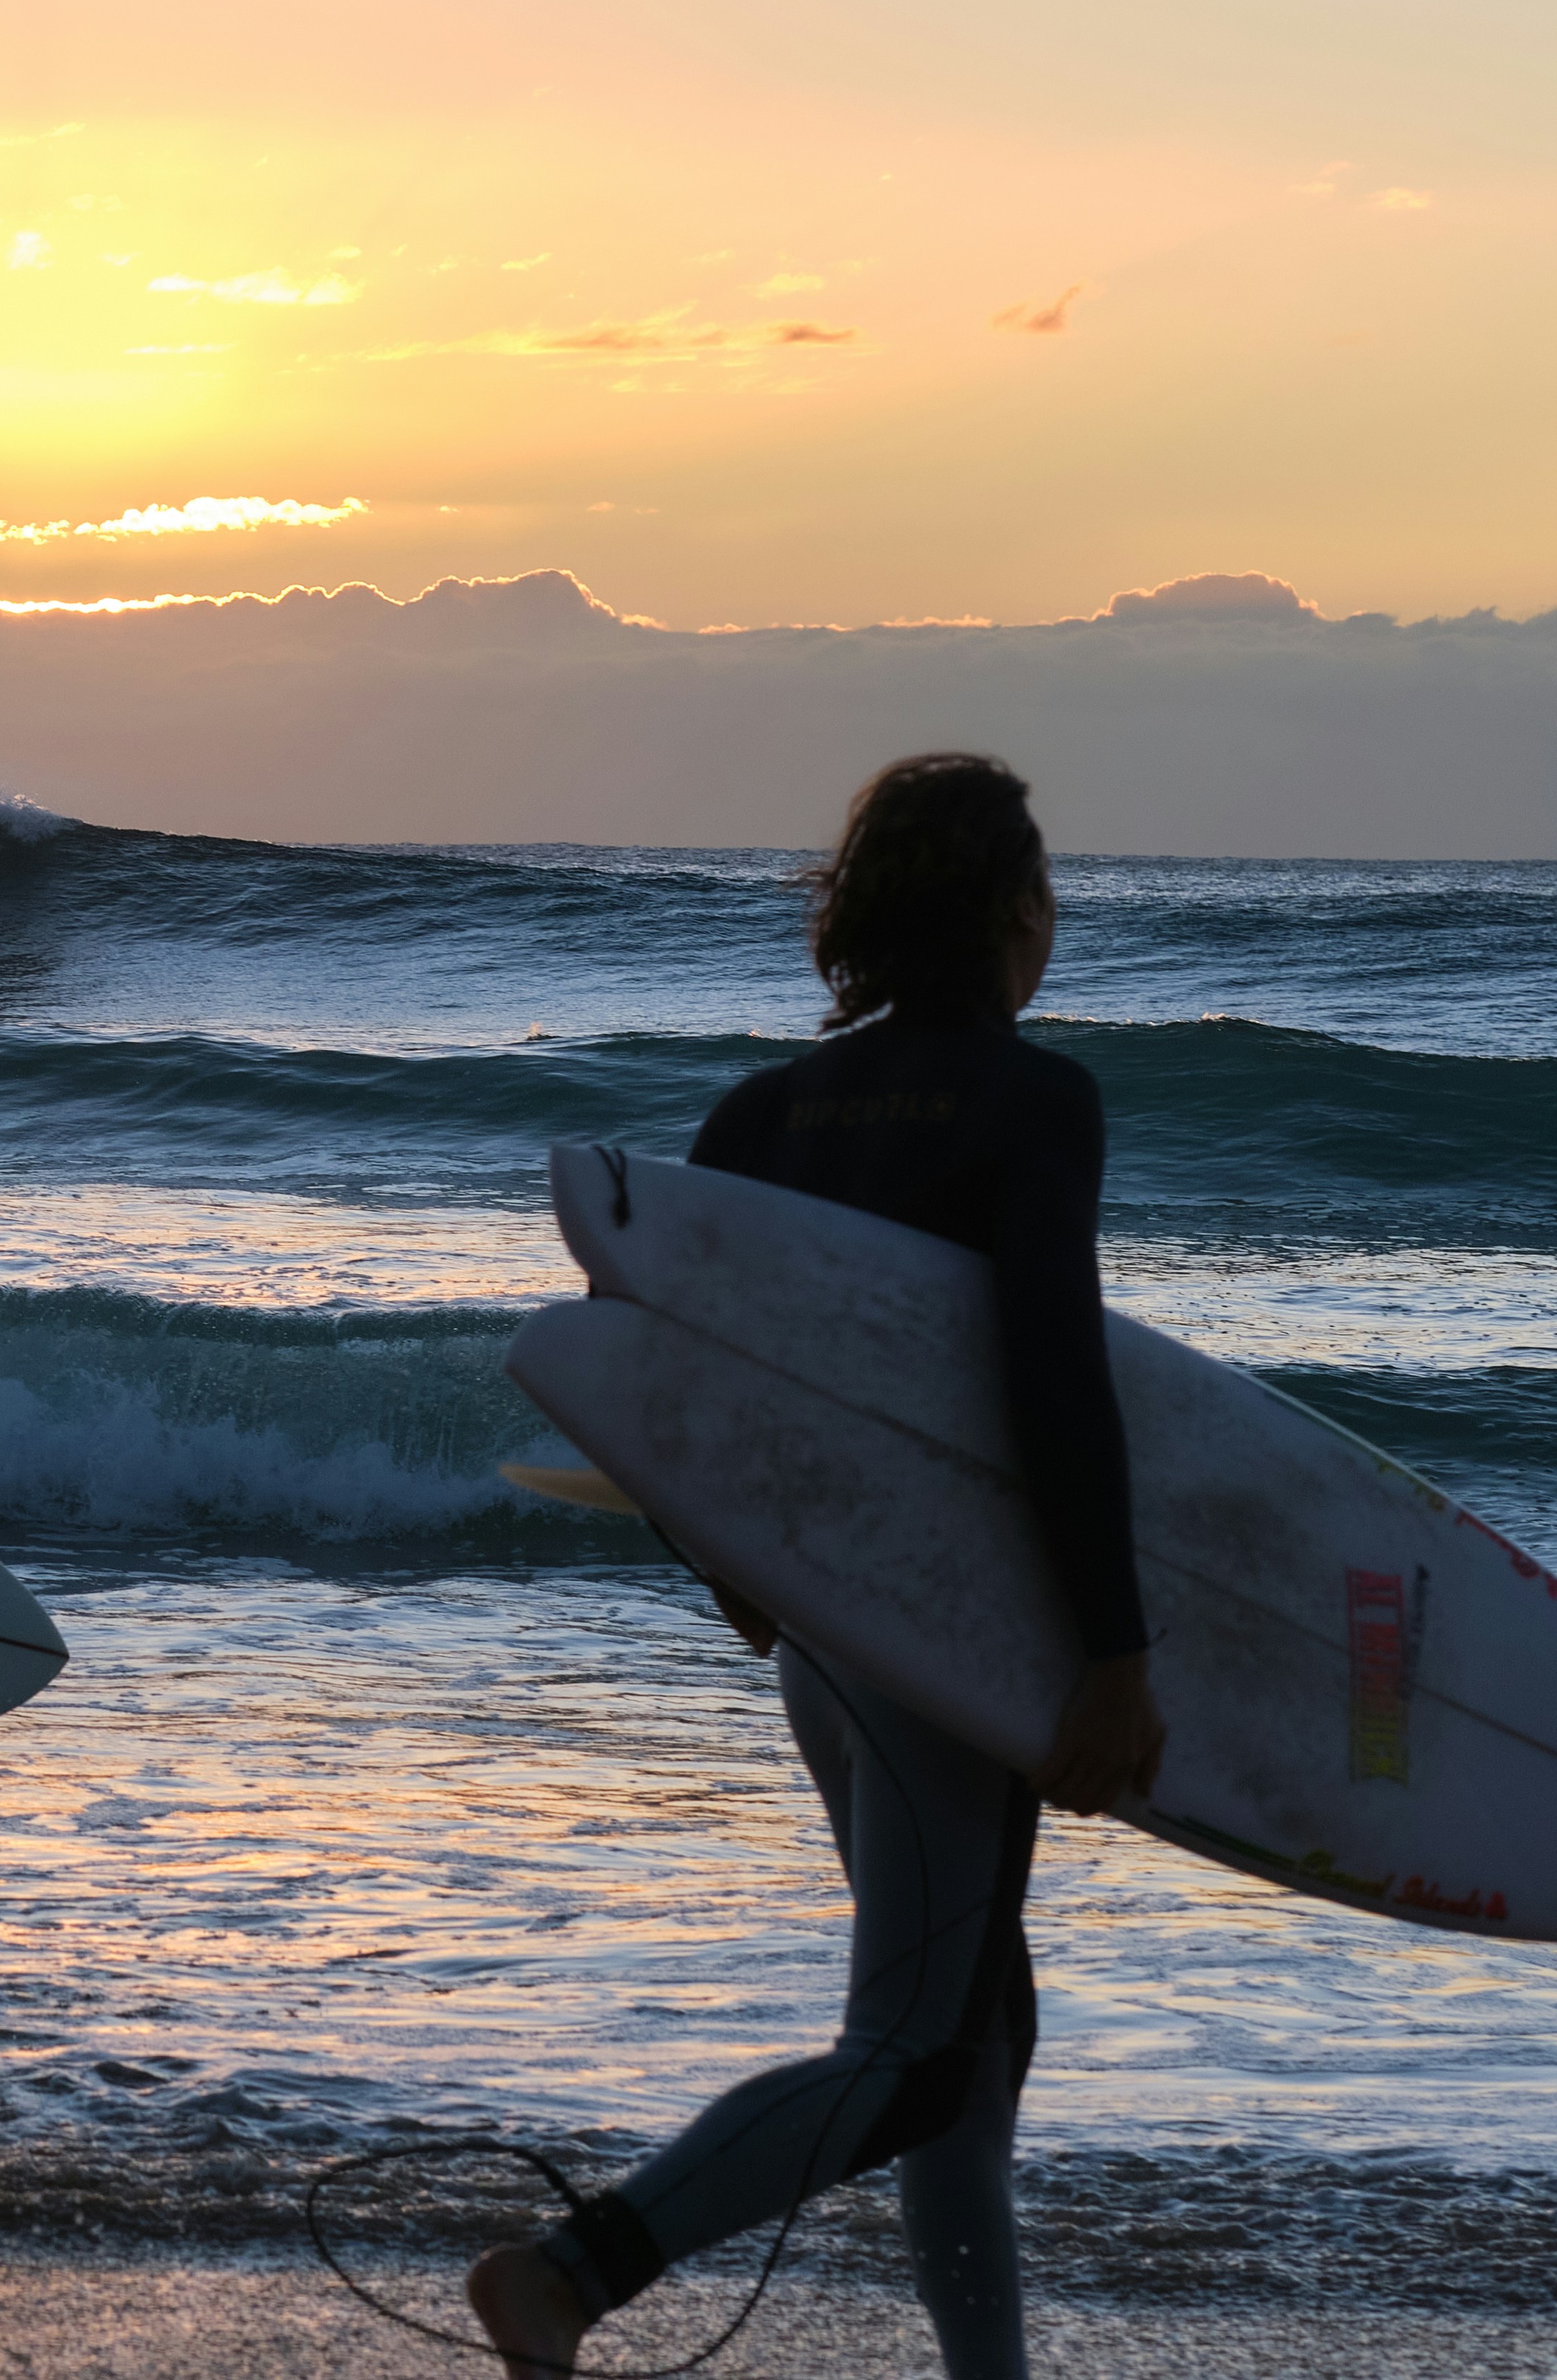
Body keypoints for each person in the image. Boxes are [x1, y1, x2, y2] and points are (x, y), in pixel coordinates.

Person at [470, 752, 1166, 2380]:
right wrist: (1115, 1651)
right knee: (917, 2048)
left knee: (974, 2025)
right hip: (961, 1639)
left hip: (829, 1647)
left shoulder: (766, 1115)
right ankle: (572, 2271)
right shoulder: (1036, 1101)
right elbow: (1049, 1376)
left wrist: (722, 1562)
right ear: (1015, 912)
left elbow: (657, 1392)